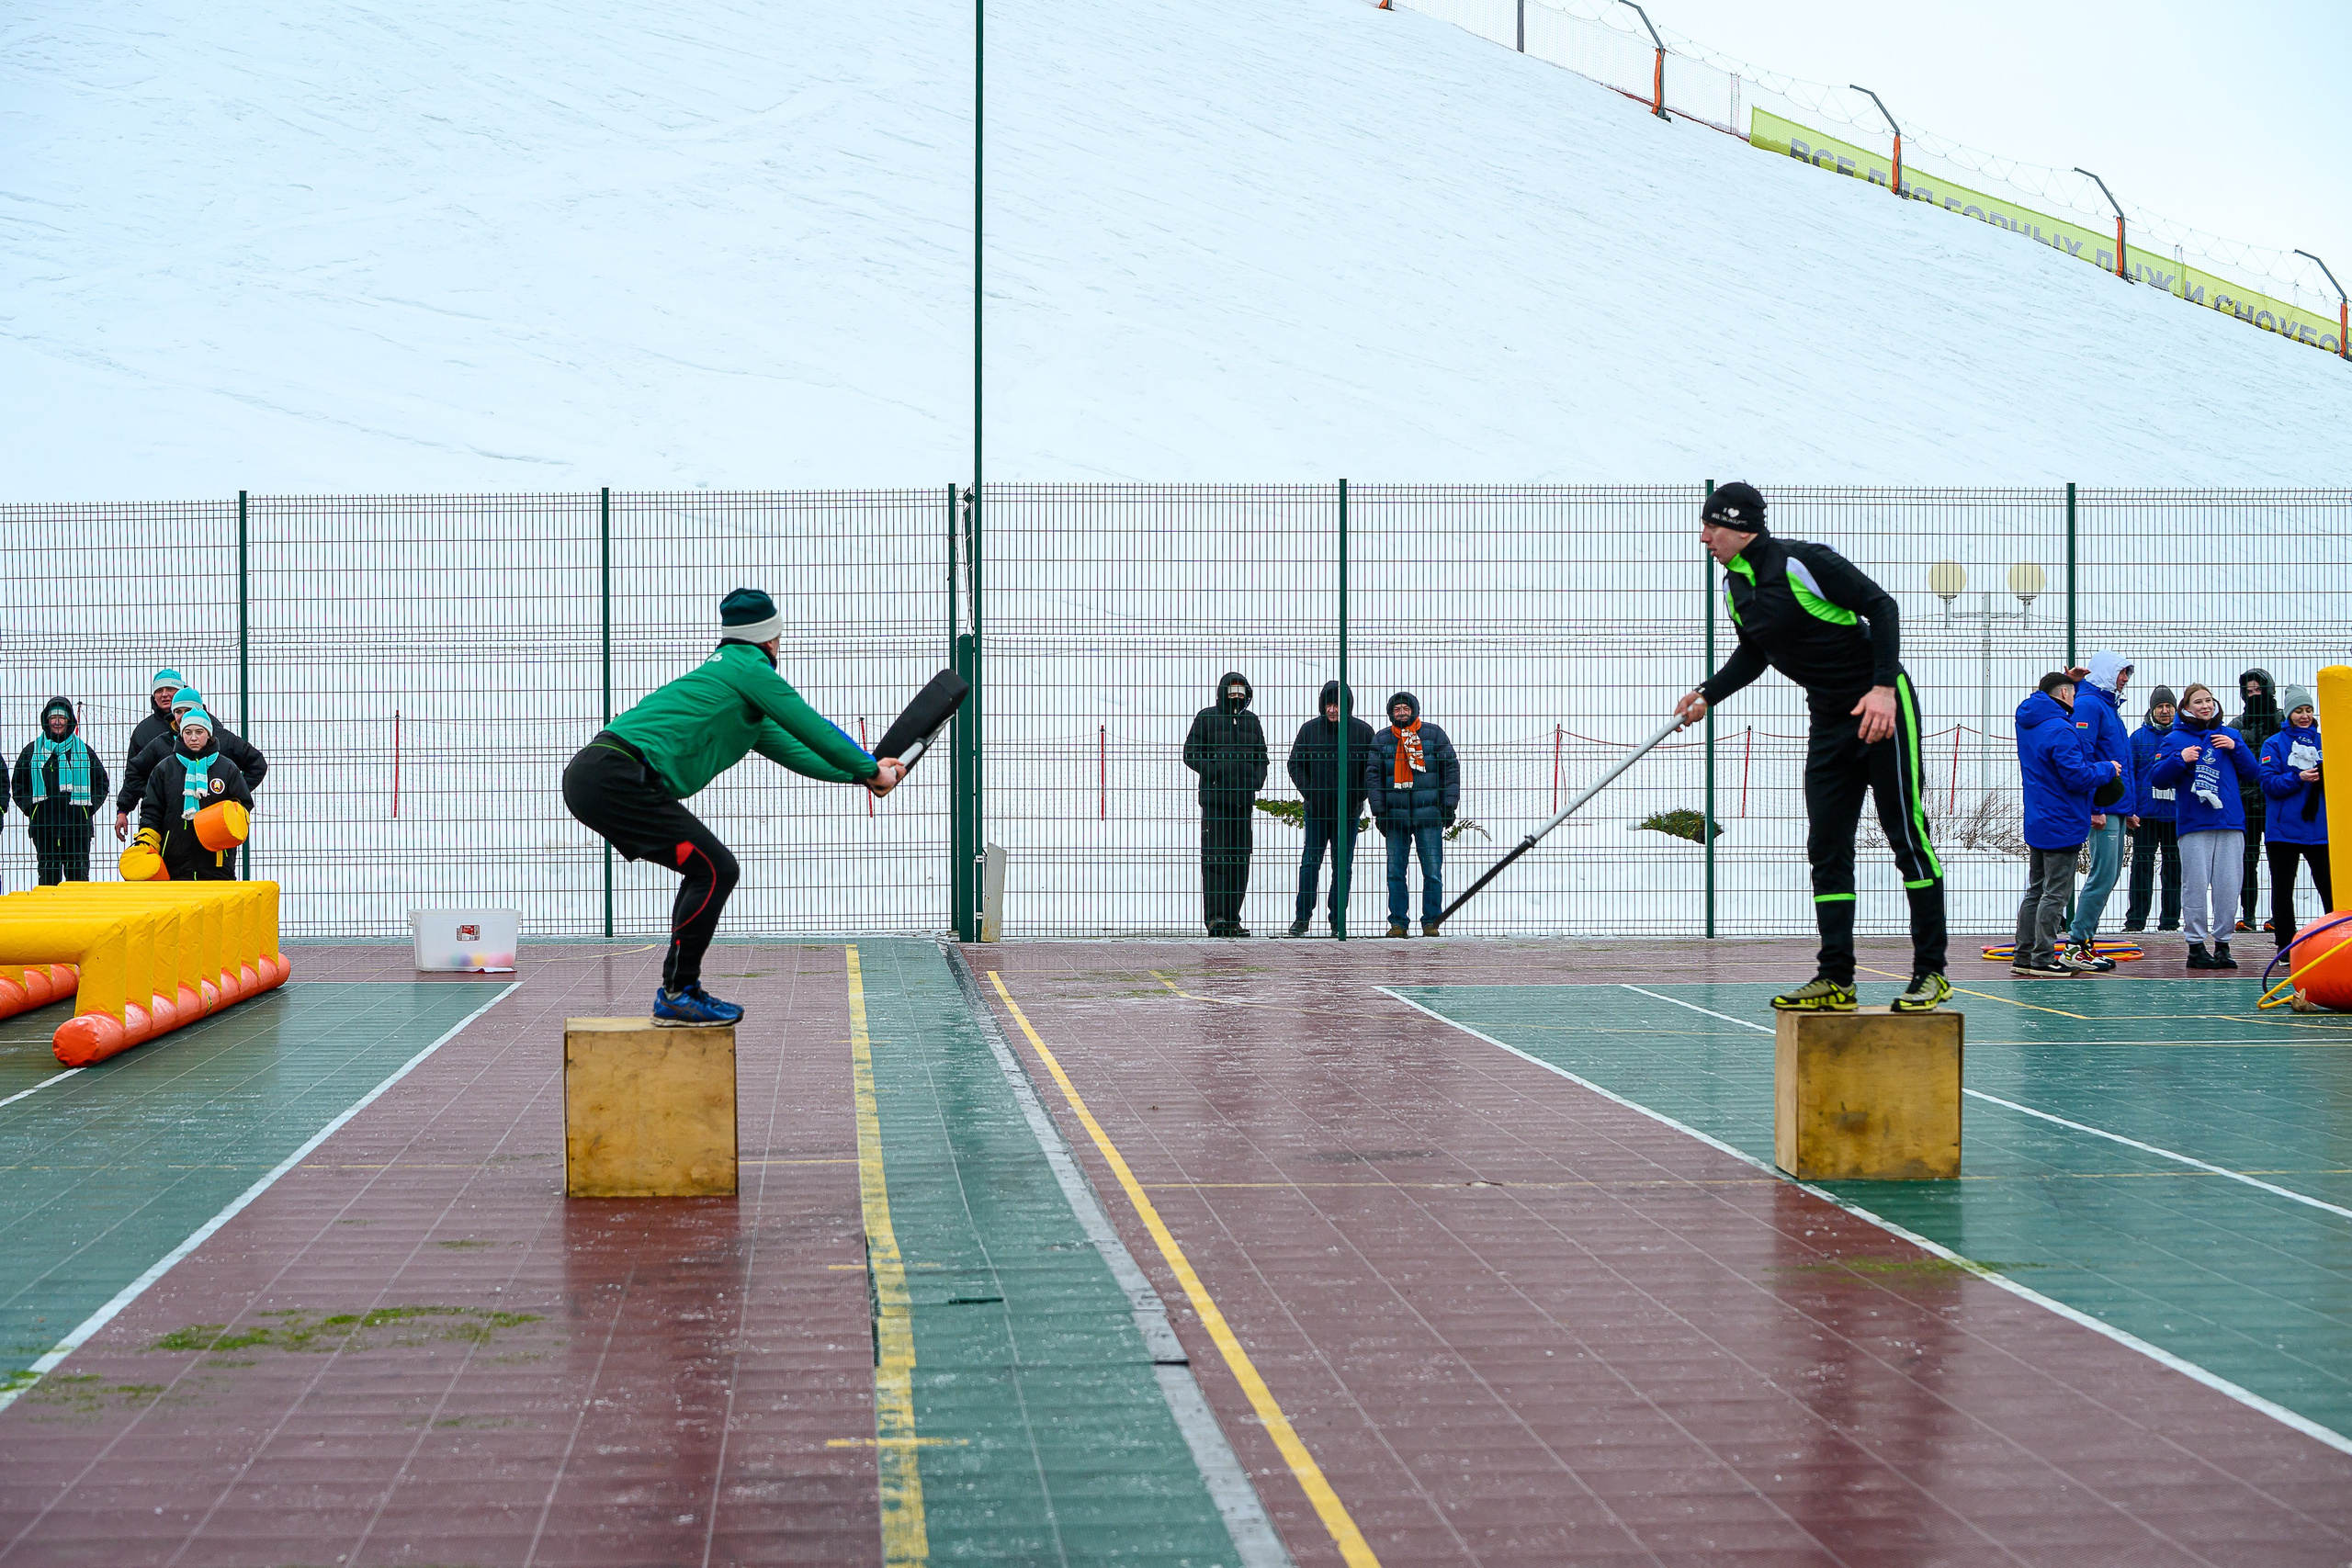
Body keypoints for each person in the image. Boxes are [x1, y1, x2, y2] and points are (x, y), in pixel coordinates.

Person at [563, 589, 901, 1025]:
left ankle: (678, 991)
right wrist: (871, 770)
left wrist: (862, 772)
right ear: (771, 638)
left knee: (708, 868)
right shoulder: (750, 669)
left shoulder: (736, 689)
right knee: (715, 869)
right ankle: (679, 993)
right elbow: (812, 726)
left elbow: (799, 751)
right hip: (617, 775)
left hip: (601, 774)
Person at [1671, 482, 1949, 1012]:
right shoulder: (1736, 587)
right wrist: (1708, 694)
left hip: (1881, 710)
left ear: (1742, 528)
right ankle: (1836, 978)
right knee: (1826, 847)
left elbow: (1881, 608)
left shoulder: (1802, 562)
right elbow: (1755, 653)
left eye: (1713, 527)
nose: (1704, 537)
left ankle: (1930, 973)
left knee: (1907, 837)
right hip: (1828, 723)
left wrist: (1884, 689)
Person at [2013, 673, 2120, 976]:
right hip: (2063, 820)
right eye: (2073, 693)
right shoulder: (2062, 730)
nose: (2077, 700)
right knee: (2055, 894)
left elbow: (2047, 693)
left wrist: (2070, 681)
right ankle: (2043, 958)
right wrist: (2107, 769)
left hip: (2039, 818)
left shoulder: (2029, 721)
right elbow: (2077, 776)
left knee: (2036, 890)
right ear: (2063, 693)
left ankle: (2024, 955)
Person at [2148, 682, 2261, 970]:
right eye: (2198, 701)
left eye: (2209, 700)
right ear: (2186, 708)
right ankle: (2196, 946)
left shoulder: (2230, 735)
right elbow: (2158, 778)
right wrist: (2180, 759)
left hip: (2230, 822)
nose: (2206, 706)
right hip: (2195, 824)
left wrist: (2236, 749)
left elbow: (2253, 772)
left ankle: (2223, 945)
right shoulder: (2175, 739)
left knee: (2228, 885)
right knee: (2195, 885)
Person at [117, 684, 268, 847]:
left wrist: (229, 795)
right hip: (174, 833)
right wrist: (127, 807)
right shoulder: (161, 744)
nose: (183, 716)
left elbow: (256, 764)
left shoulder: (222, 740)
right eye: (178, 711)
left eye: (188, 710)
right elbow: (136, 772)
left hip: (215, 835)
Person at [2059, 651, 2134, 971]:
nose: (2125, 679)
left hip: (2116, 808)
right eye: (2121, 672)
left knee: (2109, 873)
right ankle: (2076, 944)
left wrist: (2128, 808)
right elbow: (2084, 756)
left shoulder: (2107, 707)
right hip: (2103, 809)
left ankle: (2084, 942)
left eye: (2128, 674)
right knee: (2102, 874)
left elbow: (2119, 761)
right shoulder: (2090, 705)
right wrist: (2095, 806)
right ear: (2105, 672)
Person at [1284, 680, 1374, 937]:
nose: (1333, 710)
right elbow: (1295, 765)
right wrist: (1310, 791)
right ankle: (1302, 918)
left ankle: (1338, 920)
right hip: (1316, 811)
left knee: (1342, 867)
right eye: (1329, 705)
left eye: (1338, 705)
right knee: (1310, 863)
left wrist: (1357, 796)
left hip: (1347, 812)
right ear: (1323, 706)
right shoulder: (1309, 730)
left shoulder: (1363, 732)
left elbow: (1372, 770)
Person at [1365, 692, 1459, 937]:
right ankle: (1398, 923)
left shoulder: (1434, 734)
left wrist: (1449, 804)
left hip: (1429, 816)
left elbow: (1450, 769)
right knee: (1395, 872)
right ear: (1390, 714)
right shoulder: (1382, 739)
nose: (1402, 713)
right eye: (1397, 710)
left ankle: (1431, 921)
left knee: (1432, 871)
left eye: (1406, 708)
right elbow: (1373, 777)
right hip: (1395, 818)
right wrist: (1379, 811)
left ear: (1414, 710)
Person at [1182, 671, 1267, 937]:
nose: (1236, 694)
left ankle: (1232, 918)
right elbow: (1190, 753)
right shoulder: (1206, 717)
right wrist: (1214, 771)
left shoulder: (1252, 722)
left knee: (1240, 861)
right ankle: (1215, 918)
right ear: (1222, 691)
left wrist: (1254, 781)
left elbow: (1262, 758)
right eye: (1232, 689)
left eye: (1241, 690)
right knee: (1216, 859)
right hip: (1215, 802)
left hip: (1243, 802)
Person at [136, 709, 254, 881]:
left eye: (199, 732)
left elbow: (243, 805)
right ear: (181, 734)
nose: (193, 737)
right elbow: (151, 811)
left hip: (218, 862)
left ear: (209, 734)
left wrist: (227, 821)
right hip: (174, 860)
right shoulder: (165, 769)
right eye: (188, 732)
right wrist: (146, 844)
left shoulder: (227, 768)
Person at [2258, 683, 2329, 948]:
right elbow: (2268, 783)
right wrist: (2297, 778)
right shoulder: (2274, 744)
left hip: (2320, 830)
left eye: (2309, 709)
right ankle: (2285, 945)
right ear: (2288, 714)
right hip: (2283, 831)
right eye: (2298, 710)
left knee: (2329, 888)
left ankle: (2337, 940)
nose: (2305, 715)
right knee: (2283, 890)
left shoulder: (2326, 742)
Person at [14, 698, 109, 885]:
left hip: (77, 828)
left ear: (69, 720)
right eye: (53, 717)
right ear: (46, 720)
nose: (57, 722)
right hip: (44, 828)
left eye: (62, 717)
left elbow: (101, 783)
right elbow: (18, 785)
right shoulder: (32, 751)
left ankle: (79, 914)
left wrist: (86, 809)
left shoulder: (84, 752)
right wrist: (32, 809)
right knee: (48, 879)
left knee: (78, 879)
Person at [2123, 685, 2182, 932]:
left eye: (2169, 706)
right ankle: (2135, 921)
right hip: (2145, 815)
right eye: (2160, 706)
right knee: (2141, 867)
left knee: (2173, 868)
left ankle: (2169, 922)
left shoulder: (2183, 736)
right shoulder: (2137, 738)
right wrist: (2129, 809)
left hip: (2175, 815)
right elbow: (2128, 774)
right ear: (2152, 710)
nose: (2165, 711)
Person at [2234, 668, 2282, 932]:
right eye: (2249, 691)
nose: (2253, 695)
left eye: (2258, 690)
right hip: (2246, 803)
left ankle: (2278, 917)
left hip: (2276, 803)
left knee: (2279, 863)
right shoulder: (2237, 726)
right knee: (2247, 860)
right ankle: (2248, 916)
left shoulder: (2281, 722)